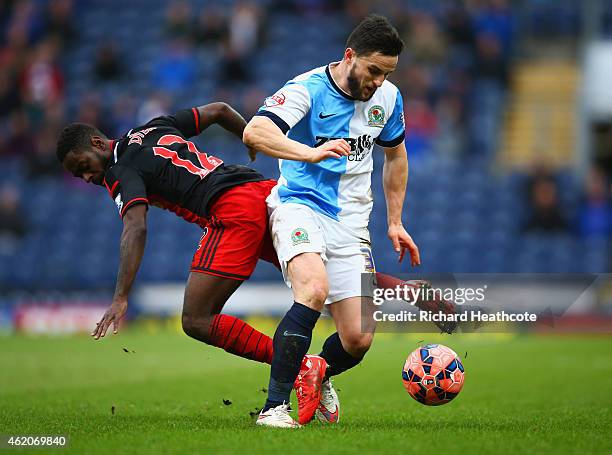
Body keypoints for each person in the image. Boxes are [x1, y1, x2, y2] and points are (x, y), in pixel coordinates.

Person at [57, 100, 451, 425]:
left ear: (97, 141)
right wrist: (250, 140)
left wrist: (121, 296)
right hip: (265, 192)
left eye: (82, 166)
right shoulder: (155, 127)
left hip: (231, 210)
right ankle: (408, 290)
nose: (86, 176)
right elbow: (218, 110)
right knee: (320, 271)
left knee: (196, 319)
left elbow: (135, 228)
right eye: (78, 175)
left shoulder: (117, 171)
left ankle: (301, 367)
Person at [243, 15, 420, 427]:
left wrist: (395, 222)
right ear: (349, 56)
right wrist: (308, 153)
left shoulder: (389, 99)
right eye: (374, 70)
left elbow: (396, 156)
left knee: (358, 340)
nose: (378, 81)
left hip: (353, 222)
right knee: (314, 289)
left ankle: (317, 369)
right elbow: (255, 132)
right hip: (299, 205)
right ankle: (273, 409)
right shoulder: (307, 88)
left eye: (387, 73)